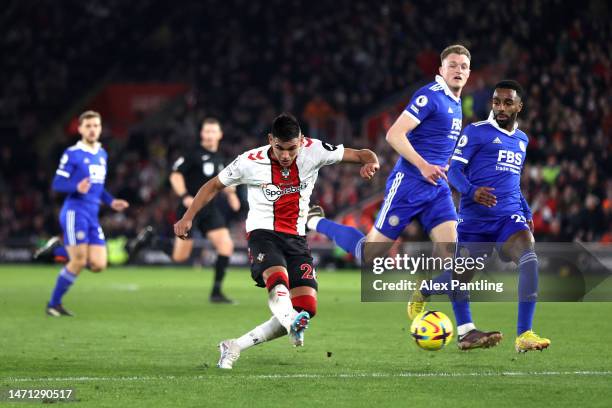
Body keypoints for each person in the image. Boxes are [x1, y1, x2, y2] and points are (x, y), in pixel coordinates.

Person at [306, 44, 501, 349]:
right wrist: (424, 166)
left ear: (469, 73)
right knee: (367, 253)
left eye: (464, 66)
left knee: (457, 260)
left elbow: (439, 146)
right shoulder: (430, 96)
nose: (459, 70)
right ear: (441, 69)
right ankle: (317, 222)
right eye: (452, 65)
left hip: (436, 191)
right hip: (409, 186)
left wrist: (447, 166)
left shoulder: (456, 103)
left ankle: (466, 331)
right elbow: (394, 134)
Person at [174, 113, 379, 369]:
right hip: (263, 233)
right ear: (270, 140)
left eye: (291, 148)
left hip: (296, 238)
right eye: (279, 148)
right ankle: (290, 318)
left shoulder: (314, 150)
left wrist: (371, 162)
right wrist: (187, 217)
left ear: (301, 141)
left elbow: (362, 154)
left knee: (307, 307)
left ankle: (235, 345)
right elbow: (213, 185)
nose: (285, 155)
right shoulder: (249, 161)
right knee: (278, 281)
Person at [448, 80, 550, 352]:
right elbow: (453, 172)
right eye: (496, 102)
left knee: (528, 256)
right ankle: (462, 327)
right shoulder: (476, 132)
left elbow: (512, 182)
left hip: (508, 217)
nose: (501, 108)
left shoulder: (522, 140)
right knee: (460, 278)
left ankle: (524, 334)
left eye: (507, 103)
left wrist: (526, 211)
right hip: (474, 221)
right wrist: (471, 191)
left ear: (519, 106)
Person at [46, 110, 129, 316]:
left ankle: (58, 251)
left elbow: (99, 187)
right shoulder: (72, 153)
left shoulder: (102, 154)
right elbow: (57, 183)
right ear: (81, 129)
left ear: (100, 129)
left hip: (92, 215)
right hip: (75, 212)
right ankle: (53, 304)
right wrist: (76, 187)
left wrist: (111, 202)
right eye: (88, 126)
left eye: (96, 126)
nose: (92, 130)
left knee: (99, 264)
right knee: (79, 261)